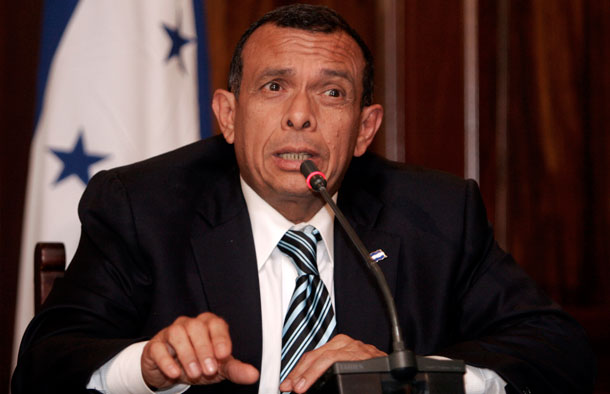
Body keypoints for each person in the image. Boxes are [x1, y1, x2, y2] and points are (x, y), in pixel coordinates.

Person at [12, 4, 595, 394]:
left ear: (364, 130)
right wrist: (146, 364)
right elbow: (43, 364)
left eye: (331, 92)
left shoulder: (436, 214)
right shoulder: (143, 206)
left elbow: (560, 353)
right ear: (228, 115)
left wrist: (404, 377)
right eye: (274, 87)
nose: (299, 115)